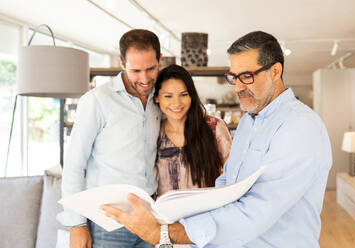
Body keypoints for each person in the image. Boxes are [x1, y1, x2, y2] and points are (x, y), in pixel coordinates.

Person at [101, 30, 332, 248]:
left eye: (247, 76)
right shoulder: (248, 122)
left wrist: (166, 233)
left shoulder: (300, 126)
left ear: (275, 71)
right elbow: (226, 187)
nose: (238, 87)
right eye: (234, 77)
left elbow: (258, 209)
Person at [57, 29, 163, 248]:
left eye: (151, 69)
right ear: (122, 63)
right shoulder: (97, 101)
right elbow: (74, 165)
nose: (144, 79)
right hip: (108, 222)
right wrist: (76, 225)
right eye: (136, 70)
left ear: (159, 60)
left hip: (151, 218)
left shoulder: (161, 98)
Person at [153, 64, 231, 196]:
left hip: (207, 213)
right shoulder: (154, 133)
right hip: (167, 215)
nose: (177, 103)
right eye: (168, 96)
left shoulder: (214, 127)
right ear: (157, 98)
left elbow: (233, 175)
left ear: (191, 96)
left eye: (183, 94)